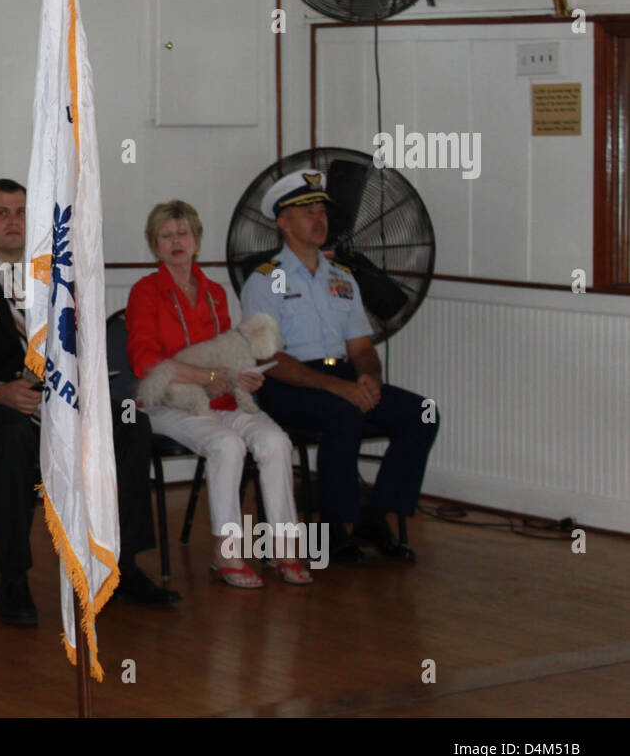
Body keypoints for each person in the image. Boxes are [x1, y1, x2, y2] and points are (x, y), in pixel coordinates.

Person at [0, 179, 179, 623]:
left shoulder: (58, 277)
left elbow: (83, 348)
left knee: (131, 425)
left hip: (64, 405)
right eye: (2, 213)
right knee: (13, 438)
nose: (14, 221)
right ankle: (14, 580)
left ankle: (119, 568)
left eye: (22, 212)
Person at [239, 169, 439, 564]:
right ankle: (331, 530)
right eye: (307, 211)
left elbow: (361, 347)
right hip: (286, 383)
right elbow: (268, 359)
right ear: (283, 223)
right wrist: (342, 390)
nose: (319, 219)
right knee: (343, 413)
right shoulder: (267, 280)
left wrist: (369, 380)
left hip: (341, 377)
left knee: (422, 414)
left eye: (321, 211)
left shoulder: (343, 278)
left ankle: (374, 517)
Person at [126, 200, 310, 588]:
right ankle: (226, 552)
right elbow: (145, 362)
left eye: (183, 234)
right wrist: (206, 375)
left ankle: (283, 547)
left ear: (196, 240)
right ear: (154, 245)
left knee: (276, 441)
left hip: (219, 397)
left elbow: (229, 352)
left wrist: (244, 378)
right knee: (228, 445)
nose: (176, 242)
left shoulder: (214, 292)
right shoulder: (145, 292)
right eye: (166, 235)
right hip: (166, 400)